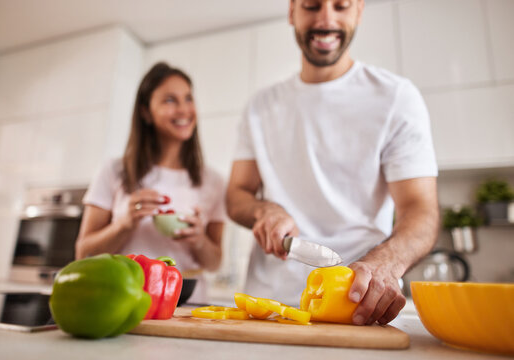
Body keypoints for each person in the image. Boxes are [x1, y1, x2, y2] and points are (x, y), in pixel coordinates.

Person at [226, 0, 439, 326]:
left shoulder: (396, 98)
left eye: (341, 6)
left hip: (354, 306)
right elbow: (236, 194)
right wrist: (263, 210)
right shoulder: (261, 107)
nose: (326, 20)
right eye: (312, 6)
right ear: (291, 11)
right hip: (265, 308)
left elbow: (421, 210)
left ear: (359, 12)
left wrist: (385, 264)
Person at [76, 62, 225, 303]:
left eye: (188, 98)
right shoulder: (114, 171)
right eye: (169, 100)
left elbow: (215, 262)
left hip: (188, 305)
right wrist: (124, 224)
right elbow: (83, 253)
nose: (184, 109)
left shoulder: (214, 181)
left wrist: (199, 239)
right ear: (145, 112)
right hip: (123, 299)